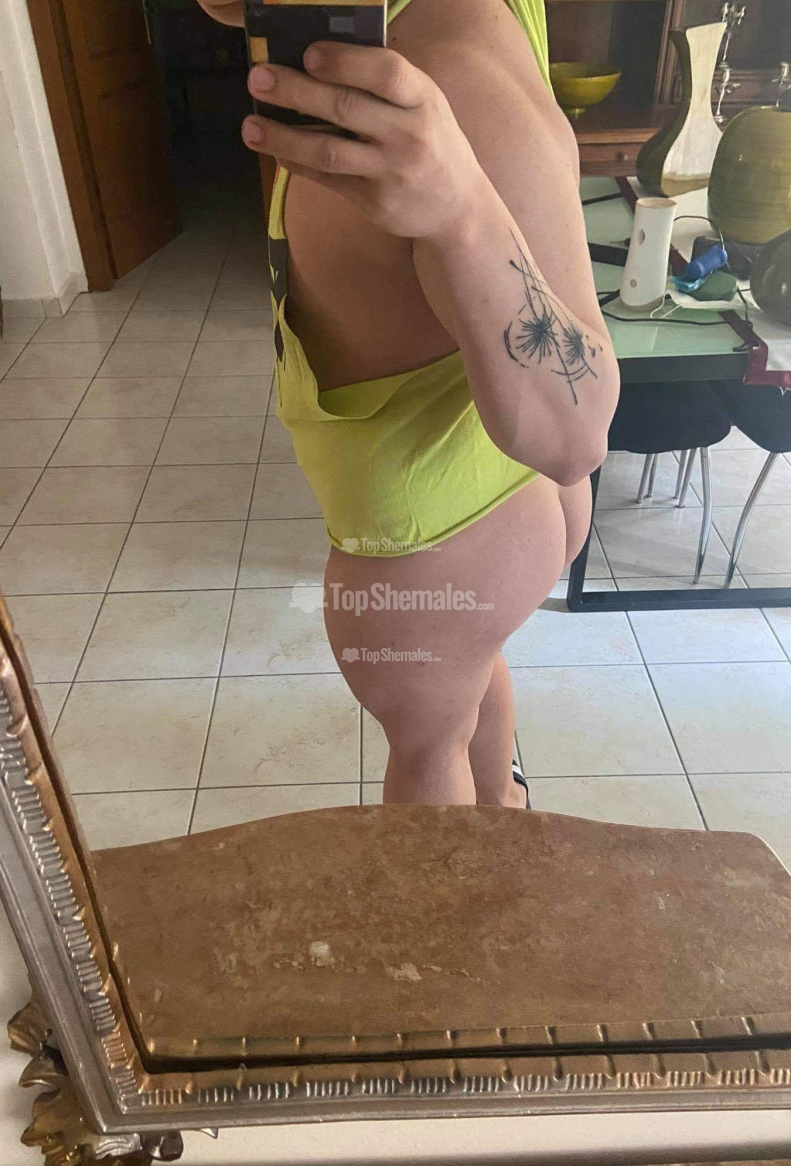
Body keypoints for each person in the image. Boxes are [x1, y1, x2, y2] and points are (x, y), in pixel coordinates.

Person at [196, 0, 619, 808]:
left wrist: (462, 211)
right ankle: (504, 818)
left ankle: (477, 881)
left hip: (431, 550)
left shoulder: (445, 78)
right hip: (479, 525)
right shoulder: (446, 25)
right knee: (470, 681)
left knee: (430, 777)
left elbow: (573, 434)